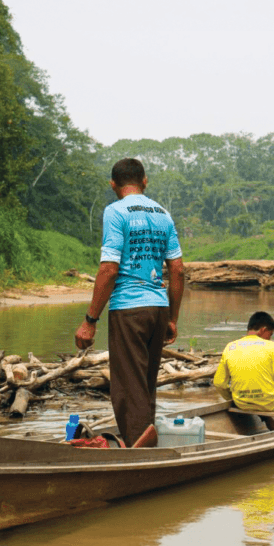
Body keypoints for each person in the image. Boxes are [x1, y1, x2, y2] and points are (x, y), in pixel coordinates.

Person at [74, 158, 184, 446]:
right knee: (145, 385)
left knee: (126, 387)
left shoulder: (115, 212)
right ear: (144, 181)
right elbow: (177, 269)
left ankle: (138, 451)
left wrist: (89, 322)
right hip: (158, 309)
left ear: (113, 185)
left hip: (129, 308)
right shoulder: (163, 214)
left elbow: (109, 269)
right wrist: (172, 318)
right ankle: (145, 439)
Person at [213, 311, 274, 416]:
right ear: (263, 330)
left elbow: (219, 383)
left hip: (241, 404)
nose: (270, 338)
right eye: (270, 334)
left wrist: (232, 397)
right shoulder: (271, 346)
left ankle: (273, 424)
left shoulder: (230, 347)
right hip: (267, 404)